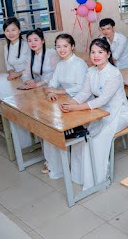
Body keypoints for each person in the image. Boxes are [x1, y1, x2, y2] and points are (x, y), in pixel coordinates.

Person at [62, 38, 128, 190]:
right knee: (83, 137)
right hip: (100, 112)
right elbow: (84, 92)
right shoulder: (91, 71)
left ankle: (98, 179)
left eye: (100, 52)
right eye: (93, 52)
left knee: (96, 139)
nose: (96, 55)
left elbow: (103, 99)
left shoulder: (114, 73)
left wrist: (76, 108)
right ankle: (79, 176)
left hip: (119, 113)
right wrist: (71, 103)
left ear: (108, 54)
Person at [43, 34, 88, 179]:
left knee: (56, 127)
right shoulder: (60, 64)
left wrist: (58, 91)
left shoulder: (79, 63)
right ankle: (55, 165)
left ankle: (64, 164)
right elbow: (53, 83)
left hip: (80, 101)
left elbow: (80, 87)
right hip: (64, 102)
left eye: (65, 46)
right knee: (48, 125)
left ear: (72, 46)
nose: (61, 49)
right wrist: (51, 92)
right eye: (58, 46)